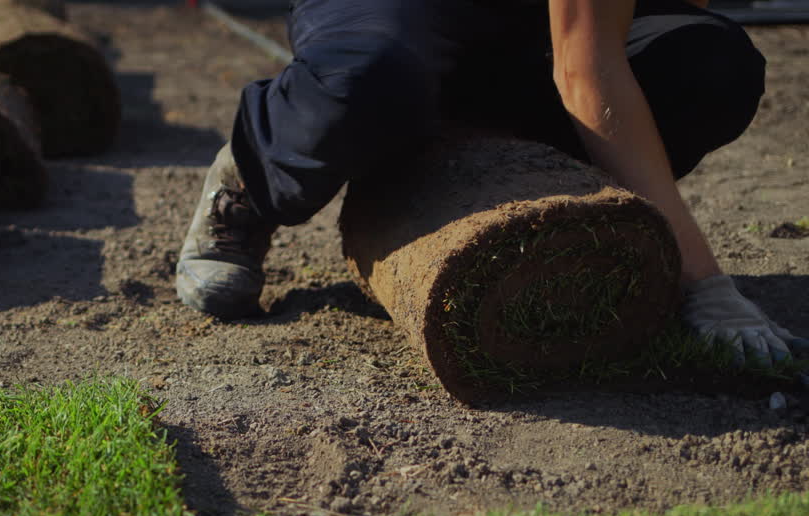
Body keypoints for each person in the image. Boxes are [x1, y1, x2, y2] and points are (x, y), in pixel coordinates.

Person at [176, 0, 808, 365]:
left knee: (706, 64)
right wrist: (707, 284)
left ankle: (486, 149)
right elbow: (586, 74)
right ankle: (252, 173)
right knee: (371, 84)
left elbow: (591, 50)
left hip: (525, 21)